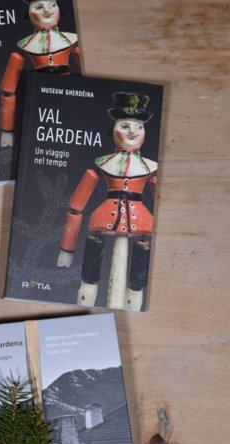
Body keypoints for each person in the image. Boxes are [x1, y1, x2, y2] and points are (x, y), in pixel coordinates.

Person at [57, 92, 158, 310]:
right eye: (125, 126)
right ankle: (85, 301)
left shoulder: (151, 168)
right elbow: (75, 208)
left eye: (139, 127)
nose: (132, 132)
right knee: (90, 273)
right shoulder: (103, 163)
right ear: (113, 129)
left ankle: (133, 303)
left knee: (137, 280)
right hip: (104, 219)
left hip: (141, 223)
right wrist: (67, 249)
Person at [0, 0, 79, 147]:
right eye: (39, 7)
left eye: (52, 4)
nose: (47, 10)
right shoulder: (25, 45)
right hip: (39, 92)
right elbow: (8, 90)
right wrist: (7, 131)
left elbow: (91, 74)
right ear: (29, 14)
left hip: (68, 90)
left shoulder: (72, 40)